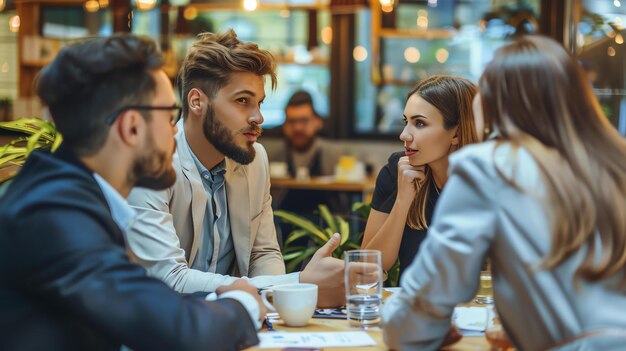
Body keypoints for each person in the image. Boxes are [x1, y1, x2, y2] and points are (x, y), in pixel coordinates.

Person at [0, 35, 263, 350]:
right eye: (168, 118)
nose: (175, 130)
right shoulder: (51, 214)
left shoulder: (70, 196)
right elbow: (176, 330)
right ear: (132, 127)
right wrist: (241, 303)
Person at [382, 36, 626, 350]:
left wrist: (418, 327)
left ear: (497, 103)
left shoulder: (488, 168)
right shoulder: (613, 165)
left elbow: (422, 307)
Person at [126, 30, 345, 308]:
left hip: (233, 323)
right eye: (243, 101)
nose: (258, 117)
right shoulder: (152, 164)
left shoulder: (255, 159)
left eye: (259, 102)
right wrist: (295, 283)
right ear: (197, 102)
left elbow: (263, 254)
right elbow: (168, 278)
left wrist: (275, 307)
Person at [361, 75, 479, 276]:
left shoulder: (490, 183)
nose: (404, 135)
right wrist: (402, 200)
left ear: (456, 134)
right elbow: (368, 269)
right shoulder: (397, 172)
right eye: (406, 121)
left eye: (420, 123)